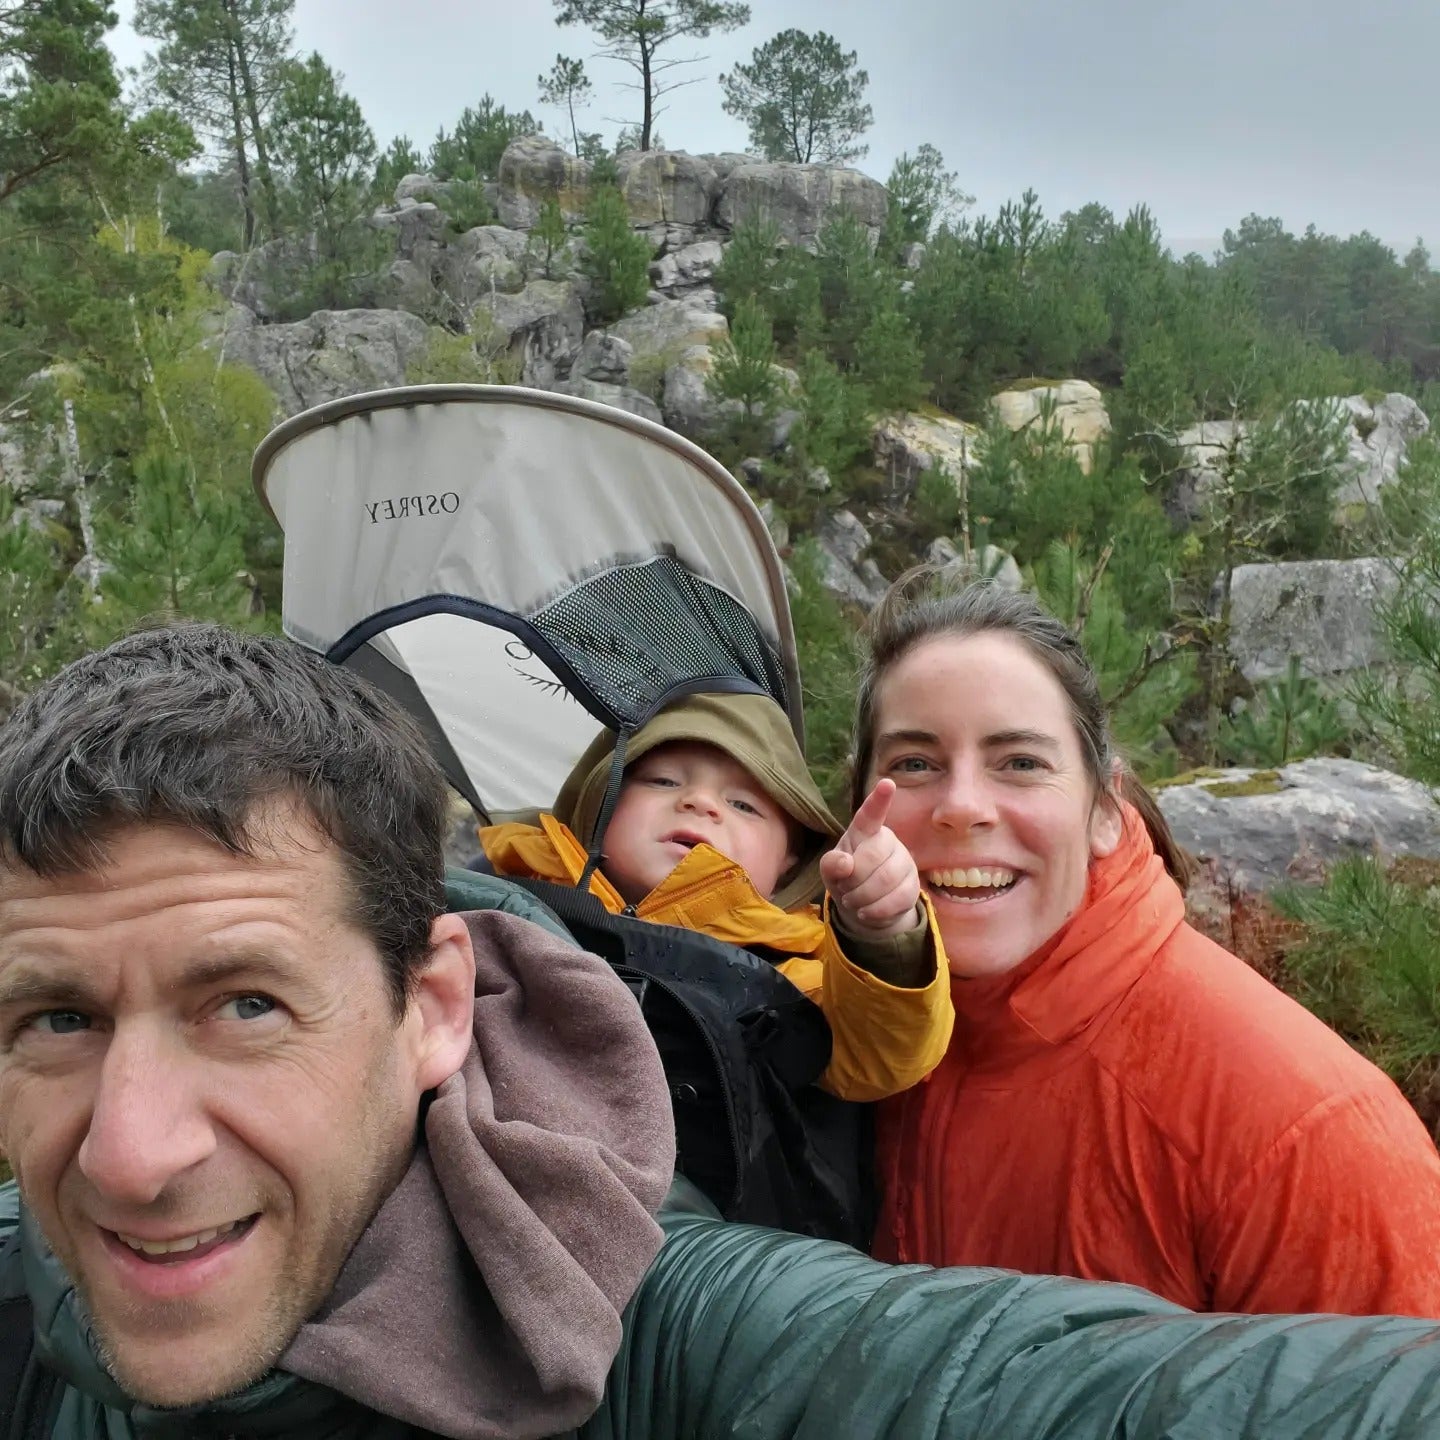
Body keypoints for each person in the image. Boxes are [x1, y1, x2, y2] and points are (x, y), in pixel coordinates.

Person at [10, 625, 1440, 1440]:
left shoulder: (1302, 1115)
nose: (135, 1154)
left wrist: (877, 941)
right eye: (55, 1018)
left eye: (246, 1004)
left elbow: (989, 1378)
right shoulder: (578, 914)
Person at [855, 570, 1440, 1317]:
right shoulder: (845, 1032)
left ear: (1104, 810)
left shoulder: (1300, 1131)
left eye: (1021, 763)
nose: (962, 806)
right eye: (913, 764)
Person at [478, 691, 953, 1103]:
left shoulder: (788, 971)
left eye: (743, 804)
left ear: (792, 857)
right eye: (663, 780)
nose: (699, 802)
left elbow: (879, 1053)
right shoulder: (506, 885)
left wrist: (882, 934)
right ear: (599, 800)